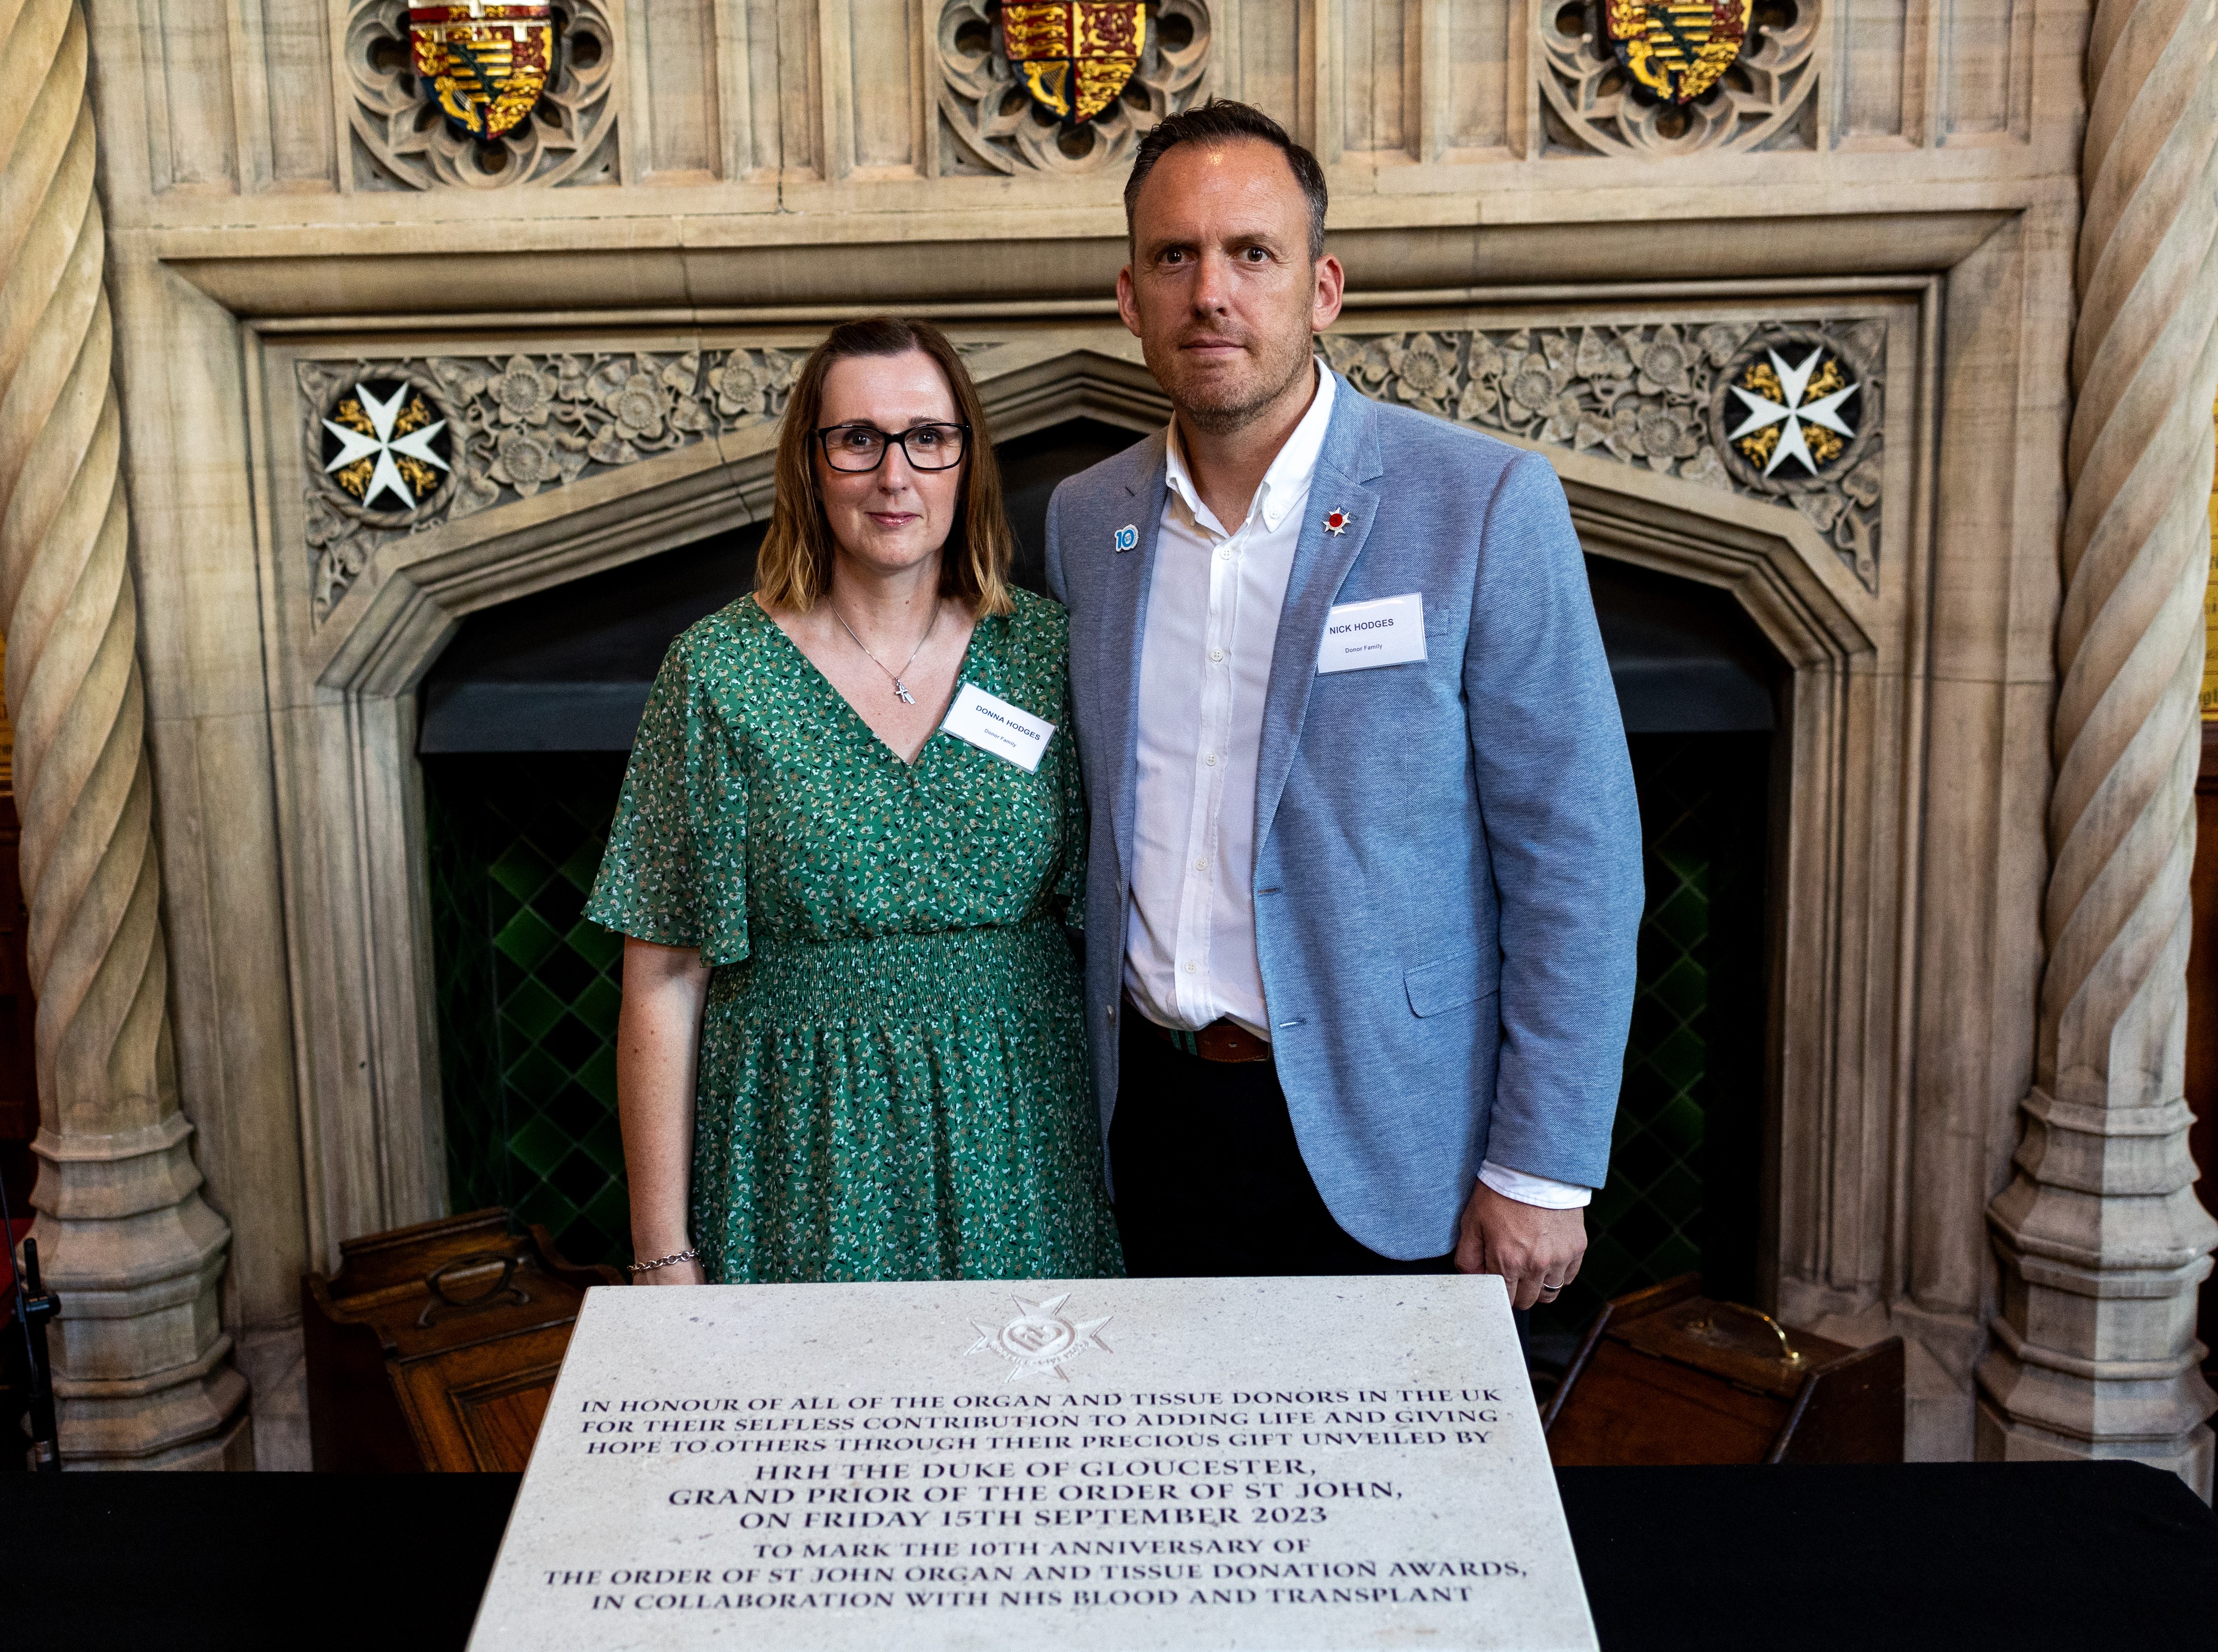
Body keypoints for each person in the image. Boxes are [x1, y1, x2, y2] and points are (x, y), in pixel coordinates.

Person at [1044, 102, 1643, 1311]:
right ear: (1128, 296)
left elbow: (1575, 850)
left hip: (1396, 1137)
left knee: (1407, 1500)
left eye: (1250, 254)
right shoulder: (1082, 521)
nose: (1212, 291)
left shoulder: (1482, 505)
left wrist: (1541, 1168)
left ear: (1322, 288)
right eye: (1176, 257)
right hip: (1149, 1127)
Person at [589, 317, 1121, 1287]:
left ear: (966, 460)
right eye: (857, 440)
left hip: (1022, 1143)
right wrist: (660, 1252)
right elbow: (661, 978)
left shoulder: (1051, 654)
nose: (894, 475)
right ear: (810, 463)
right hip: (797, 1151)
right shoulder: (719, 673)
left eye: (928, 437)